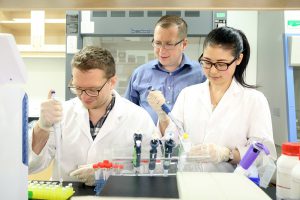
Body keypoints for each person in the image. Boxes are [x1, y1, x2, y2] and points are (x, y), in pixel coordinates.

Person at [148, 26, 277, 172]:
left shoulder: (254, 100)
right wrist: (163, 117)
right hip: (189, 184)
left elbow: (265, 155)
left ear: (238, 59)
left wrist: (227, 155)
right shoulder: (188, 95)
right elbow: (170, 142)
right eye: (207, 62)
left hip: (231, 188)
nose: (213, 70)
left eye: (221, 64)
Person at [29, 46, 156, 185]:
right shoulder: (62, 113)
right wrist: (42, 127)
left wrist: (106, 174)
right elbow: (31, 166)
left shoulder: (138, 118)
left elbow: (151, 171)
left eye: (93, 89)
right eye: (78, 88)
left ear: (112, 82)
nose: (84, 96)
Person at [125, 15, 206, 124]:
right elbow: (126, 114)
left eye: (169, 44)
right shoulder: (140, 74)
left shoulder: (202, 74)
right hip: (148, 140)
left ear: (184, 44)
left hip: (187, 140)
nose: (162, 50)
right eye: (158, 43)